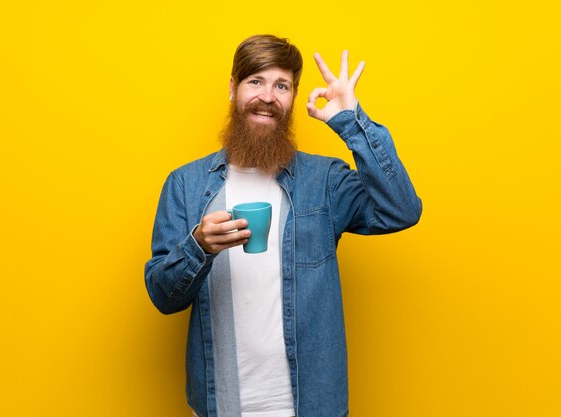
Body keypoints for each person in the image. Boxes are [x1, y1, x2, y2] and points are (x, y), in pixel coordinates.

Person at [144, 34, 422, 417]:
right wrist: (198, 246)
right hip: (220, 403)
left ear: (293, 98)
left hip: (311, 404)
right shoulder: (186, 185)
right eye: (255, 81)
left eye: (282, 85)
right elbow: (162, 295)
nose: (268, 96)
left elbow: (402, 210)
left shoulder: (324, 180)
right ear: (232, 88)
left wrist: (351, 121)